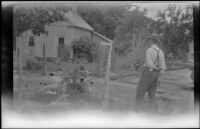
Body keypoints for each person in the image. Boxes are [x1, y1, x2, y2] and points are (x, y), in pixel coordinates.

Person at [135, 36, 166, 113]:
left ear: (152, 41)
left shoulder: (149, 50)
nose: (148, 42)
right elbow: (163, 66)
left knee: (140, 91)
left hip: (149, 72)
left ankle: (137, 111)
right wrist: (159, 73)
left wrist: (154, 68)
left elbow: (149, 63)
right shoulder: (161, 52)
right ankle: (151, 112)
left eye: (148, 40)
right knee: (152, 93)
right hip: (156, 74)